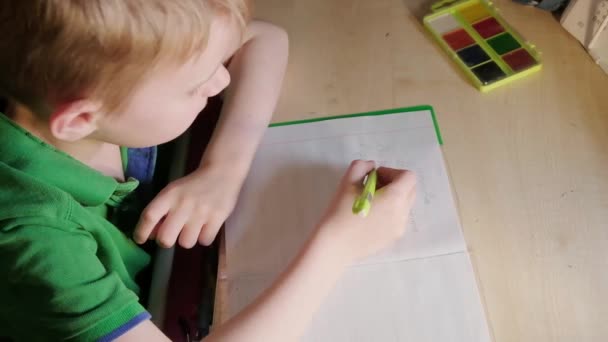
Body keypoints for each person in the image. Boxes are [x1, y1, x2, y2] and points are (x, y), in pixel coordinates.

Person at [0, 1, 416, 340]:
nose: (219, 82)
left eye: (218, 64)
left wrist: (224, 169)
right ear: (78, 119)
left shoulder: (89, 88)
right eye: (195, 84)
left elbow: (264, 38)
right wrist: (339, 246)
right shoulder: (33, 237)